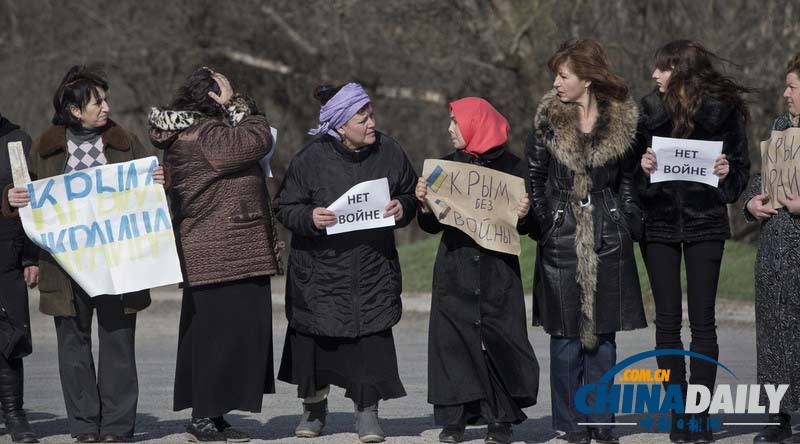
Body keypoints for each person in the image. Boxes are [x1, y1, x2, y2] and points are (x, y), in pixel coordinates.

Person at [6, 66, 164, 443]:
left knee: (118, 342)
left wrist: (159, 181)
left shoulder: (125, 145)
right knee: (73, 347)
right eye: (98, 102)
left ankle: (116, 427)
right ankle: (84, 427)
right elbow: (27, 202)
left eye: (105, 100)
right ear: (75, 110)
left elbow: (149, 190)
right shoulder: (43, 149)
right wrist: (12, 201)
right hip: (64, 266)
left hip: (118, 262)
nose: (106, 107)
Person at [274, 83, 417, 443]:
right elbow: (284, 208)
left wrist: (404, 208)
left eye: (371, 114)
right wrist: (310, 217)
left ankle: (367, 413)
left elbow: (411, 191)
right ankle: (314, 408)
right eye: (362, 117)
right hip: (320, 276)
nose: (372, 122)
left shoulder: (390, 151)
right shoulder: (310, 159)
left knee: (369, 343)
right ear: (340, 126)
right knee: (315, 344)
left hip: (371, 271)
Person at [148, 67, 281, 443]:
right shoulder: (205, 133)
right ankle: (204, 415)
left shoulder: (192, 132)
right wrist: (238, 104)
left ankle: (213, 412)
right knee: (218, 338)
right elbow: (255, 141)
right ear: (212, 98)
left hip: (221, 249)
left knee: (222, 335)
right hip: (222, 250)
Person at [526, 39, 645, 444]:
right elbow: (534, 178)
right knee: (564, 336)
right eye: (555, 76)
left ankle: (602, 419)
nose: (557, 83)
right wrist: (545, 222)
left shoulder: (624, 121)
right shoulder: (546, 122)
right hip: (560, 234)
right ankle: (570, 423)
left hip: (608, 233)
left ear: (588, 79)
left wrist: (626, 219)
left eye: (564, 75)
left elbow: (629, 180)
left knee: (603, 337)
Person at [638, 40, 752, 444]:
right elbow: (628, 179)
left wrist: (725, 172)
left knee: (703, 323)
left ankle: (699, 416)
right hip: (660, 225)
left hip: (706, 224)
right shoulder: (646, 112)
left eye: (663, 68)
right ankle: (678, 413)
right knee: (667, 323)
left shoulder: (725, 113)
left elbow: (740, 177)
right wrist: (643, 167)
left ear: (683, 71)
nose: (655, 75)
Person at [416, 97, 539, 444]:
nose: (450, 129)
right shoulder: (445, 166)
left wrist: (526, 211)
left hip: (498, 273)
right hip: (455, 270)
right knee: (452, 344)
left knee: (500, 342)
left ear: (475, 125)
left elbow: (532, 225)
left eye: (455, 122)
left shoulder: (514, 168)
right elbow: (430, 226)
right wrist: (424, 205)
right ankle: (454, 419)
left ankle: (500, 419)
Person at [742, 53, 800, 444]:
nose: (785, 94)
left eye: (793, 86)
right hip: (775, 249)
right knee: (773, 336)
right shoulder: (781, 127)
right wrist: (751, 202)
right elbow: (760, 177)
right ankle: (778, 415)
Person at [0, 113, 39, 443]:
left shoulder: (17, 141)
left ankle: (14, 413)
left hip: (7, 254)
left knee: (11, 336)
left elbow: (31, 200)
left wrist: (30, 255)